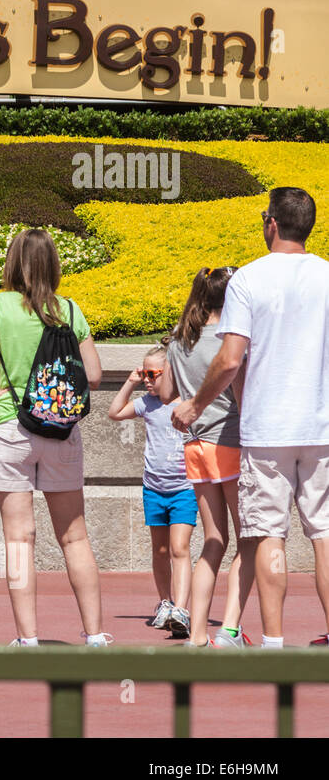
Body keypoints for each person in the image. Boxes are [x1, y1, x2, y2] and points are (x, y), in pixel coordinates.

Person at [172, 187, 329, 648]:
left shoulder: (248, 280)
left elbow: (230, 358)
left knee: (268, 534)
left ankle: (275, 641)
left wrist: (195, 405)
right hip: (321, 427)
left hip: (267, 429)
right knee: (324, 532)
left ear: (273, 224)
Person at [0, 228, 109, 646]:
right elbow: (92, 375)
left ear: (13, 263)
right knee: (75, 536)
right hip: (60, 431)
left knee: (20, 539)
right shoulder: (70, 310)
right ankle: (94, 635)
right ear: (53, 264)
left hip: (11, 428)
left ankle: (28, 639)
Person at [166, 266, 255, 647]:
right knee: (249, 538)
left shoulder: (179, 339)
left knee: (213, 539)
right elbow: (241, 391)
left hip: (195, 446)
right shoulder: (228, 340)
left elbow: (168, 391)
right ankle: (229, 627)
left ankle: (197, 633)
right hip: (229, 440)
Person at [109, 346, 194, 638]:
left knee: (179, 549)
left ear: (170, 372)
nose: (147, 379)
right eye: (144, 373)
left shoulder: (187, 403)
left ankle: (181, 610)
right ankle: (165, 603)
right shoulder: (146, 403)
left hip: (184, 489)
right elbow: (115, 412)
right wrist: (130, 382)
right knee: (159, 551)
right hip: (154, 489)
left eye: (152, 374)